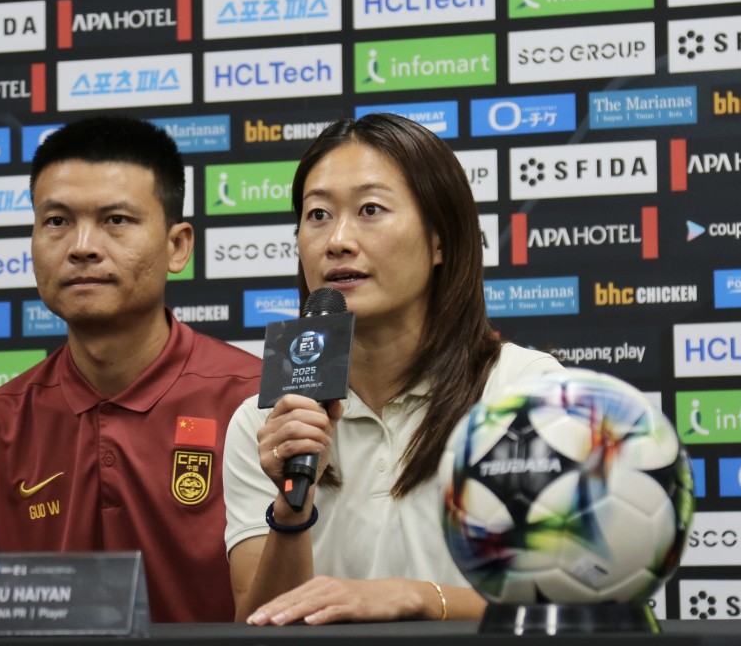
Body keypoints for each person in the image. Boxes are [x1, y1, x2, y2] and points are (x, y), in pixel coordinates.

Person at [222, 113, 564, 625]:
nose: (337, 240)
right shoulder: (263, 420)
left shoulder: (528, 392)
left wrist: (420, 599)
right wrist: (292, 510)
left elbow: (573, 604)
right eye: (318, 215)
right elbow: (260, 626)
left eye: (370, 210)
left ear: (440, 239)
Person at [0, 116, 262, 623]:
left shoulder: (257, 402)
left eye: (116, 220)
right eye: (56, 221)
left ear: (177, 246)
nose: (82, 246)